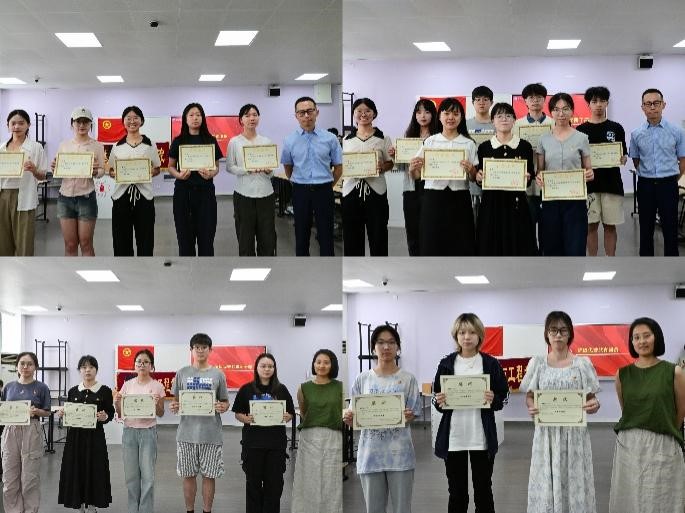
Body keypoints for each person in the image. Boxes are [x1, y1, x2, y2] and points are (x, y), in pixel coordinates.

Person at [520, 311, 601, 513]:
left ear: (570, 334)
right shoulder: (538, 364)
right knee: (546, 483)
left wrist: (594, 404)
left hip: (574, 437)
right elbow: (529, 396)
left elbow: (591, 399)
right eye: (553, 330)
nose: (558, 335)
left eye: (563, 330)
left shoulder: (582, 364)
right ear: (547, 334)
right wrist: (531, 406)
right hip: (546, 436)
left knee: (574, 483)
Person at [432, 313, 509, 513]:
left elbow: (504, 396)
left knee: (483, 491)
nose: (467, 337)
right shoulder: (446, 364)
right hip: (454, 437)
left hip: (481, 437)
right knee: (457, 493)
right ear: (456, 335)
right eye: (462, 332)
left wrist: (494, 399)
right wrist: (439, 401)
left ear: (480, 335)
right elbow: (436, 398)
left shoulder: (490, 364)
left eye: (472, 332)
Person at [609, 317, 685, 513]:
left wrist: (665, 429)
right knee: (631, 497)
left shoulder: (674, 372)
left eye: (646, 336)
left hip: (662, 443)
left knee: (661, 496)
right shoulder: (622, 374)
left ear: (656, 337)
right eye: (636, 337)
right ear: (632, 342)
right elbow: (627, 410)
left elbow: (680, 411)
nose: (641, 341)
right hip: (630, 445)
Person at [343, 325, 421, 513]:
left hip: (400, 455)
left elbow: (414, 412)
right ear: (373, 348)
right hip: (371, 455)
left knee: (402, 509)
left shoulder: (408, 379)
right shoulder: (362, 379)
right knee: (374, 509)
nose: (386, 347)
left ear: (398, 347)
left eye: (391, 342)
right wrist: (348, 417)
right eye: (381, 342)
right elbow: (354, 415)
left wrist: (409, 416)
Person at [409, 98, 478, 256]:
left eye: (455, 114)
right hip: (433, 198)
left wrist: (471, 170)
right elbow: (417, 176)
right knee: (432, 240)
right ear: (439, 116)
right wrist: (412, 169)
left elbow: (474, 178)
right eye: (446, 113)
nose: (451, 117)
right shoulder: (430, 141)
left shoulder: (468, 143)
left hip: (460, 198)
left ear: (461, 117)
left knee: (460, 241)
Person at [169, 333, 229, 513]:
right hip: (186, 434)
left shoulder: (218, 374)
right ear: (191, 350)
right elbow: (175, 400)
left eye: (204, 347)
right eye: (197, 347)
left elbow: (225, 402)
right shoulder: (182, 373)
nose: (200, 350)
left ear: (210, 350)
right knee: (188, 475)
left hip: (211, 434)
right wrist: (174, 406)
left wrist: (223, 406)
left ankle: (207, 510)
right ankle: (189, 510)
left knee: (210, 476)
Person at [232, 353, 295, 513]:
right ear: (257, 368)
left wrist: (287, 417)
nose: (267, 369)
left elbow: (290, 413)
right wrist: (246, 419)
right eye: (263, 366)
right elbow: (238, 413)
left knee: (274, 485)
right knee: (253, 484)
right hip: (253, 445)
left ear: (274, 369)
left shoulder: (281, 389)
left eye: (270, 366)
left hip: (276, 446)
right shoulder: (246, 389)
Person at [280, 96, 343, 256]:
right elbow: (288, 167)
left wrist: (328, 185)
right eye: (301, 113)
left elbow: (338, 167)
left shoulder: (330, 138)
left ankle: (327, 268)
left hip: (324, 191)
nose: (306, 116)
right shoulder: (289, 140)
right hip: (300, 192)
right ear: (296, 115)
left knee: (326, 234)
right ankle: (304, 268)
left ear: (317, 112)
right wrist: (299, 182)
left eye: (310, 111)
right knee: (301, 234)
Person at [535, 93, 594, 256]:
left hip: (575, 200)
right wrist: (539, 177)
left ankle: (575, 273)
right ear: (551, 112)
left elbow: (588, 168)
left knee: (575, 245)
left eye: (565, 109)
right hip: (551, 200)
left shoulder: (582, 138)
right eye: (556, 109)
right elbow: (540, 170)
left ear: (572, 111)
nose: (561, 114)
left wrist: (590, 174)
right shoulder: (543, 139)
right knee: (552, 245)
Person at [475, 102, 537, 255]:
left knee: (519, 245)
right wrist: (478, 177)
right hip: (490, 204)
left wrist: (527, 178)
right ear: (493, 121)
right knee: (490, 246)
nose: (504, 119)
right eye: (499, 116)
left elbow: (530, 176)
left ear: (514, 120)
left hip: (517, 204)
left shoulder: (524, 146)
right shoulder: (484, 147)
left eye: (508, 116)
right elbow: (479, 176)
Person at [629, 88, 685, 256]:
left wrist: (674, 179)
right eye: (648, 104)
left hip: (668, 185)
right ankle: (647, 266)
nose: (652, 107)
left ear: (663, 105)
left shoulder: (677, 131)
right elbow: (636, 160)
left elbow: (683, 160)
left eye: (656, 103)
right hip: (645, 185)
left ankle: (671, 266)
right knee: (646, 228)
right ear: (642, 107)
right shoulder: (636, 134)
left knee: (670, 228)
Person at [58, 355, 115, 512]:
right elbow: (69, 412)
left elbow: (110, 412)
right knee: (77, 469)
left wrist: (105, 417)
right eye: (84, 367)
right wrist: (63, 414)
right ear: (79, 370)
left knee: (95, 469)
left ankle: (92, 505)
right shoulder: (73, 391)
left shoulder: (105, 390)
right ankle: (79, 504)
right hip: (75, 438)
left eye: (91, 367)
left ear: (96, 370)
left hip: (95, 438)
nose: (87, 370)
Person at [576, 87, 628, 256]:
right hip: (589, 186)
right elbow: (577, 158)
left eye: (602, 101)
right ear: (588, 104)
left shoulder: (616, 128)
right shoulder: (580, 130)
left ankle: (610, 261)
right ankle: (592, 262)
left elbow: (623, 154)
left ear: (607, 103)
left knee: (610, 226)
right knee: (590, 226)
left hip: (611, 185)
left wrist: (623, 159)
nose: (598, 105)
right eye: (594, 101)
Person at [113, 348, 166, 513]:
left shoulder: (157, 386)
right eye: (139, 362)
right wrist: (116, 402)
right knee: (131, 475)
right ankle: (132, 508)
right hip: (129, 432)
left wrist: (156, 404)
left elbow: (161, 413)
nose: (142, 365)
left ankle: (145, 509)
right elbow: (120, 413)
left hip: (148, 432)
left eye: (146, 362)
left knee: (148, 475)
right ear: (134, 365)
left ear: (151, 366)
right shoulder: (127, 385)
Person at [291, 349, 343, 513]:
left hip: (333, 436)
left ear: (332, 365)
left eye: (326, 362)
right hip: (309, 436)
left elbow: (342, 411)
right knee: (308, 478)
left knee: (331, 479)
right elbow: (304, 412)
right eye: (318, 362)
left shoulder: (340, 387)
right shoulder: (303, 387)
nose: (322, 366)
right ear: (313, 364)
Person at [168, 103, 223, 256]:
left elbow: (216, 167)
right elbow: (171, 166)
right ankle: (188, 269)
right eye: (191, 115)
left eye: (198, 115)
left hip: (206, 194)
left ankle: (206, 269)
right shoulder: (178, 141)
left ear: (202, 118)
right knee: (185, 238)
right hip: (183, 194)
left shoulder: (210, 140)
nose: (195, 118)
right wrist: (179, 175)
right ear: (185, 119)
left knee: (207, 238)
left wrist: (211, 174)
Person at [107, 106, 161, 256]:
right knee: (121, 238)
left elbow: (157, 168)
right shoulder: (117, 146)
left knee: (145, 237)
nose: (132, 121)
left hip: (144, 196)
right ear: (123, 122)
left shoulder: (150, 144)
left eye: (136, 117)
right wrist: (115, 173)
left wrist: (149, 172)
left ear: (141, 121)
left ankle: (145, 267)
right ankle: (125, 269)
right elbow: (110, 170)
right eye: (128, 118)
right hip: (121, 196)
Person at [342, 98, 393, 256]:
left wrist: (382, 167)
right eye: (359, 111)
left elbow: (390, 163)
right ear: (353, 114)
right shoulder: (346, 140)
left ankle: (379, 269)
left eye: (368, 111)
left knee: (378, 235)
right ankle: (354, 269)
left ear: (374, 114)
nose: (363, 114)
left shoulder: (383, 138)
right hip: (351, 192)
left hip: (376, 192)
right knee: (352, 237)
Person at [1, 352, 51, 513]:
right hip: (10, 431)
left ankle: (30, 510)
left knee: (29, 477)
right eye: (22, 363)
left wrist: (36, 411)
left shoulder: (42, 387)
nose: (25, 367)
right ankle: (13, 510)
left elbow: (47, 412)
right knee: (9, 477)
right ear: (17, 366)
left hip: (31, 430)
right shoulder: (9, 387)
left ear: (35, 367)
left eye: (30, 364)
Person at [389, 99, 439, 256]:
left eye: (427, 112)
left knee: (430, 228)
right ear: (415, 115)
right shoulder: (408, 137)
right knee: (412, 228)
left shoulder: (438, 137)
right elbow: (402, 168)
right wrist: (395, 156)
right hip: (411, 188)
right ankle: (415, 259)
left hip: (431, 188)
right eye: (419, 112)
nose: (423, 116)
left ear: (433, 115)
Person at [53, 107, 106, 256]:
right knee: (70, 244)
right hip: (65, 198)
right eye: (78, 122)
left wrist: (96, 172)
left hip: (86, 197)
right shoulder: (64, 145)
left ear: (90, 124)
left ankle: (89, 271)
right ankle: (71, 272)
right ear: (72, 124)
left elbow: (102, 170)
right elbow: (59, 168)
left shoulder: (97, 146)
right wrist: (55, 167)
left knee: (86, 243)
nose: (82, 125)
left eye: (86, 122)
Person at [226, 104, 277, 256]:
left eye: (255, 115)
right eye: (247, 115)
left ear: (259, 118)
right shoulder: (234, 142)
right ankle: (247, 268)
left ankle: (267, 267)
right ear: (241, 120)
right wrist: (246, 170)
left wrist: (269, 171)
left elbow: (272, 171)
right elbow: (230, 167)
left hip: (266, 194)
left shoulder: (266, 141)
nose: (251, 118)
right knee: (245, 239)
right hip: (243, 195)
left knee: (267, 239)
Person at [0, 110, 48, 256]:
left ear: (28, 125)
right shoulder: (1, 148)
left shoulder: (36, 148)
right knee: (3, 241)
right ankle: (5, 270)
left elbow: (42, 176)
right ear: (8, 125)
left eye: (21, 123)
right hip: (3, 196)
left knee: (24, 241)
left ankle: (25, 270)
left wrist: (34, 170)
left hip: (25, 196)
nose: (17, 126)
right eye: (13, 123)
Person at [514, 84, 554, 252]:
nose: (535, 100)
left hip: (549, 184)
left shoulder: (553, 123)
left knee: (548, 227)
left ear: (544, 100)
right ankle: (531, 256)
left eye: (539, 97)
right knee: (528, 225)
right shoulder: (517, 125)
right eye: (531, 97)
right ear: (525, 101)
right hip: (527, 185)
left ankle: (547, 256)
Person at [466, 86, 495, 219]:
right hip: (470, 178)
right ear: (473, 103)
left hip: (493, 176)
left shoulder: (497, 124)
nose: (481, 103)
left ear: (491, 102)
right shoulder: (465, 125)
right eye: (477, 100)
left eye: (485, 99)